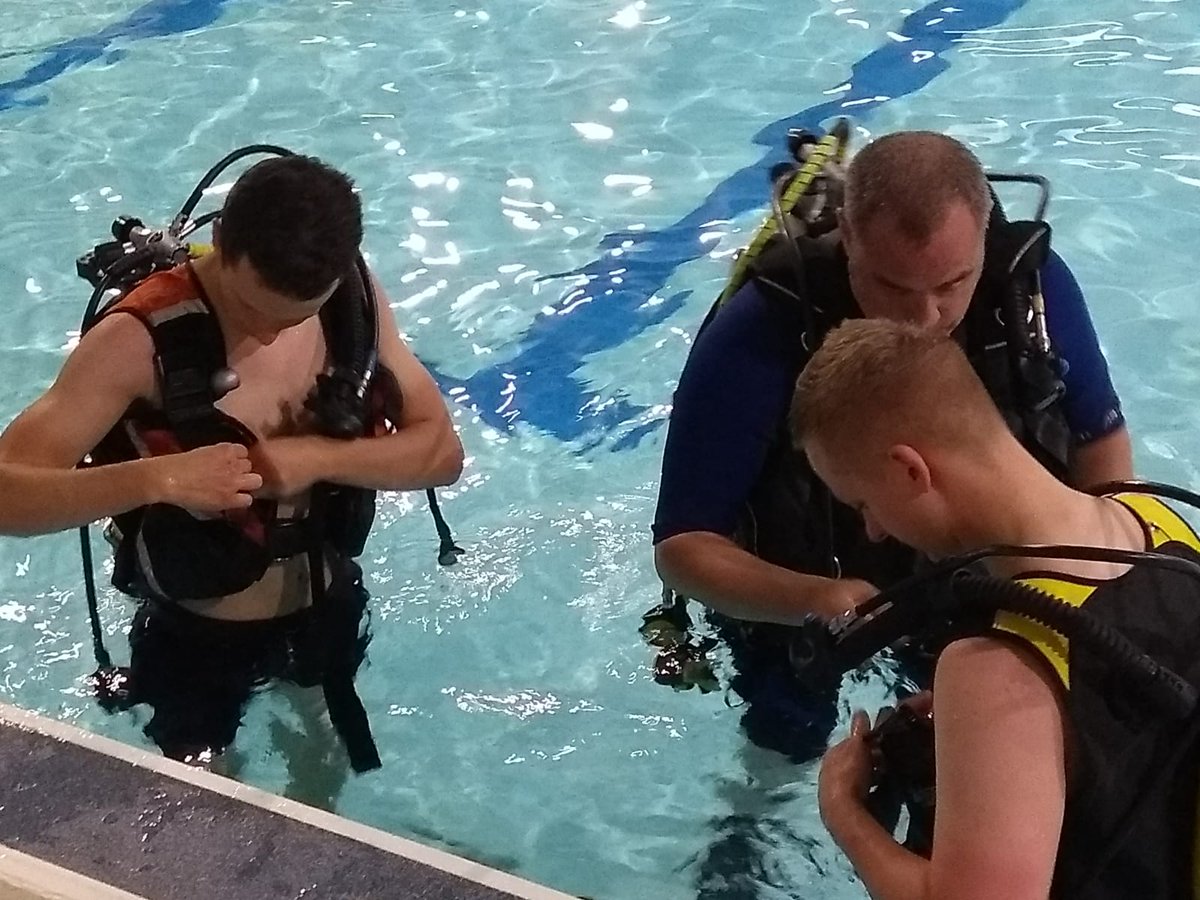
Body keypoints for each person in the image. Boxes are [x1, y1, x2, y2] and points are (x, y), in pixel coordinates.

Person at [649, 128, 1132, 754]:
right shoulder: (764, 330)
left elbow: (1105, 450)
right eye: (893, 287)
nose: (924, 317)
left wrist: (1080, 593)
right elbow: (684, 546)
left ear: (985, 241)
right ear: (847, 239)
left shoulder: (1030, 292)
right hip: (809, 587)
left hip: (972, 580)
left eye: (952, 284)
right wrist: (821, 601)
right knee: (785, 737)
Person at [0, 153, 464, 767]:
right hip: (197, 635)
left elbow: (441, 454)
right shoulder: (135, 342)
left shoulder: (350, 297)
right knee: (201, 798)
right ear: (219, 242)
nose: (270, 335)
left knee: (323, 760)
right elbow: (8, 495)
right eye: (252, 311)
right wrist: (157, 478)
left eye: (293, 317)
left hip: (324, 601)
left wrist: (313, 457)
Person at [792, 318, 1200, 900]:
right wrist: (1000, 745)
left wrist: (843, 811)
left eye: (864, 502)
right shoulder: (1156, 519)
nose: (874, 531)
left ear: (912, 469)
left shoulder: (995, 667)